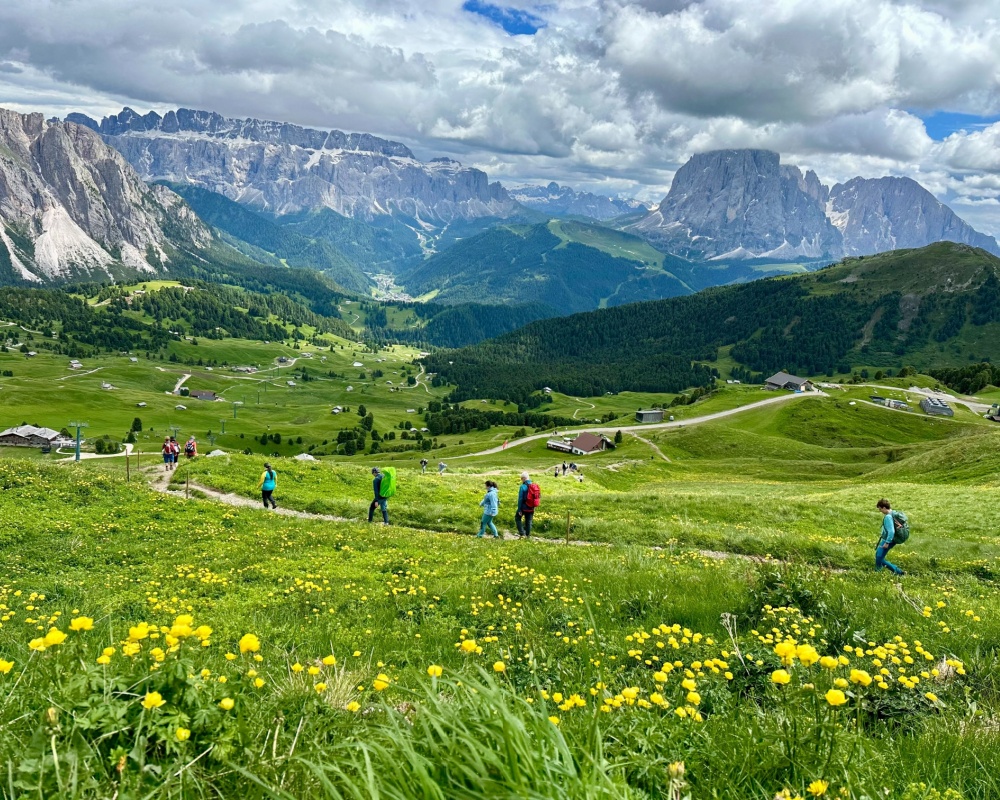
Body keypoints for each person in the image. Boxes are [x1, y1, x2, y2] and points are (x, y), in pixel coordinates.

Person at [875, 498, 904, 576]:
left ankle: (898, 572)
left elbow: (891, 531)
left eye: (880, 509)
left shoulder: (888, 517)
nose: (880, 511)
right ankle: (878, 570)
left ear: (884, 508)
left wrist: (887, 542)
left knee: (879, 557)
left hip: (888, 540)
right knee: (878, 555)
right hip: (891, 539)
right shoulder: (893, 513)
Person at [515, 472, 537, 539]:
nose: (521, 480)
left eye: (521, 478)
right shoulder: (534, 486)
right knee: (529, 521)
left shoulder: (522, 487)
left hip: (524, 507)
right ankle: (527, 536)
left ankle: (522, 534)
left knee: (517, 518)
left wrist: (519, 509)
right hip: (531, 507)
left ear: (524, 478)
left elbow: (520, 499)